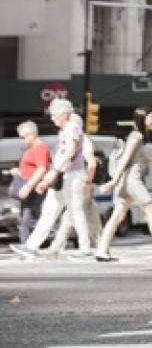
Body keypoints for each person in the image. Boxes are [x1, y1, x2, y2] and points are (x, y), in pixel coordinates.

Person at [93, 107, 152, 261]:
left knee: (118, 215)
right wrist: (114, 180)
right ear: (143, 118)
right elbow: (126, 159)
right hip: (131, 180)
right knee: (151, 211)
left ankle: (102, 250)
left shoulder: (137, 137)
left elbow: (143, 160)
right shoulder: (137, 136)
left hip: (125, 181)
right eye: (151, 117)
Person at [11, 100, 94, 260]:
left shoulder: (71, 128)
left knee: (75, 211)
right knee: (50, 210)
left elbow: (70, 152)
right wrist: (50, 178)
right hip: (64, 176)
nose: (52, 118)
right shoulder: (65, 130)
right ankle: (30, 246)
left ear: (65, 115)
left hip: (72, 175)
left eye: (54, 115)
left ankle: (85, 250)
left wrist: (53, 172)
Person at [47, 130, 104, 257]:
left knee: (71, 214)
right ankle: (102, 245)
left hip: (82, 182)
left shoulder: (83, 141)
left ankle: (56, 246)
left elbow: (92, 164)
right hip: (82, 182)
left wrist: (88, 184)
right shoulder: (78, 140)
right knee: (89, 213)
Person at [12, 121, 49, 243]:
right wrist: (19, 172)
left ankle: (28, 246)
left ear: (32, 134)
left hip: (34, 190)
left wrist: (28, 187)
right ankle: (28, 246)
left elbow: (42, 168)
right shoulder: (33, 149)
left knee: (28, 220)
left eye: (23, 137)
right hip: (30, 188)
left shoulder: (40, 148)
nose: (21, 140)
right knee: (26, 220)